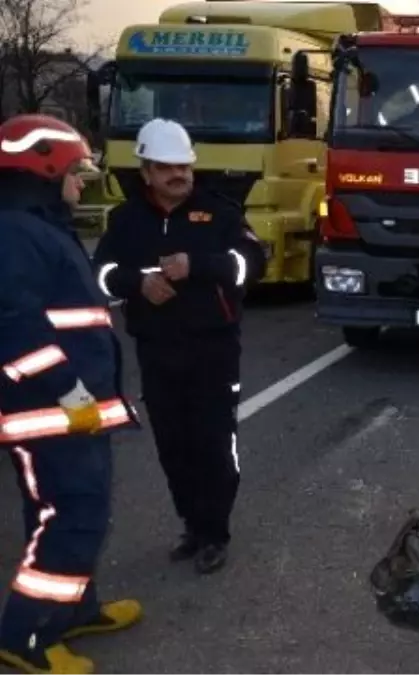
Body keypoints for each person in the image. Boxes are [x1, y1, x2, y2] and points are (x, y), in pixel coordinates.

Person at [0, 114, 143, 675]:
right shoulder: (16, 231)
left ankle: (75, 608)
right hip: (54, 410)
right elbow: (15, 327)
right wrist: (70, 393)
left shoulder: (35, 225)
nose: (80, 181)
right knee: (73, 515)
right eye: (74, 171)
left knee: (66, 510)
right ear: (44, 168)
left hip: (69, 410)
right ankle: (25, 634)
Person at [92, 118, 265, 575]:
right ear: (146, 171)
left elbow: (252, 264)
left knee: (214, 443)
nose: (179, 175)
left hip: (213, 350)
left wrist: (199, 265)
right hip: (156, 349)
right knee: (173, 444)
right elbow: (100, 275)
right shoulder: (125, 221)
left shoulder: (220, 212)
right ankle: (191, 525)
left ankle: (215, 533)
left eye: (184, 166)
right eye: (167, 168)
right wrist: (137, 283)